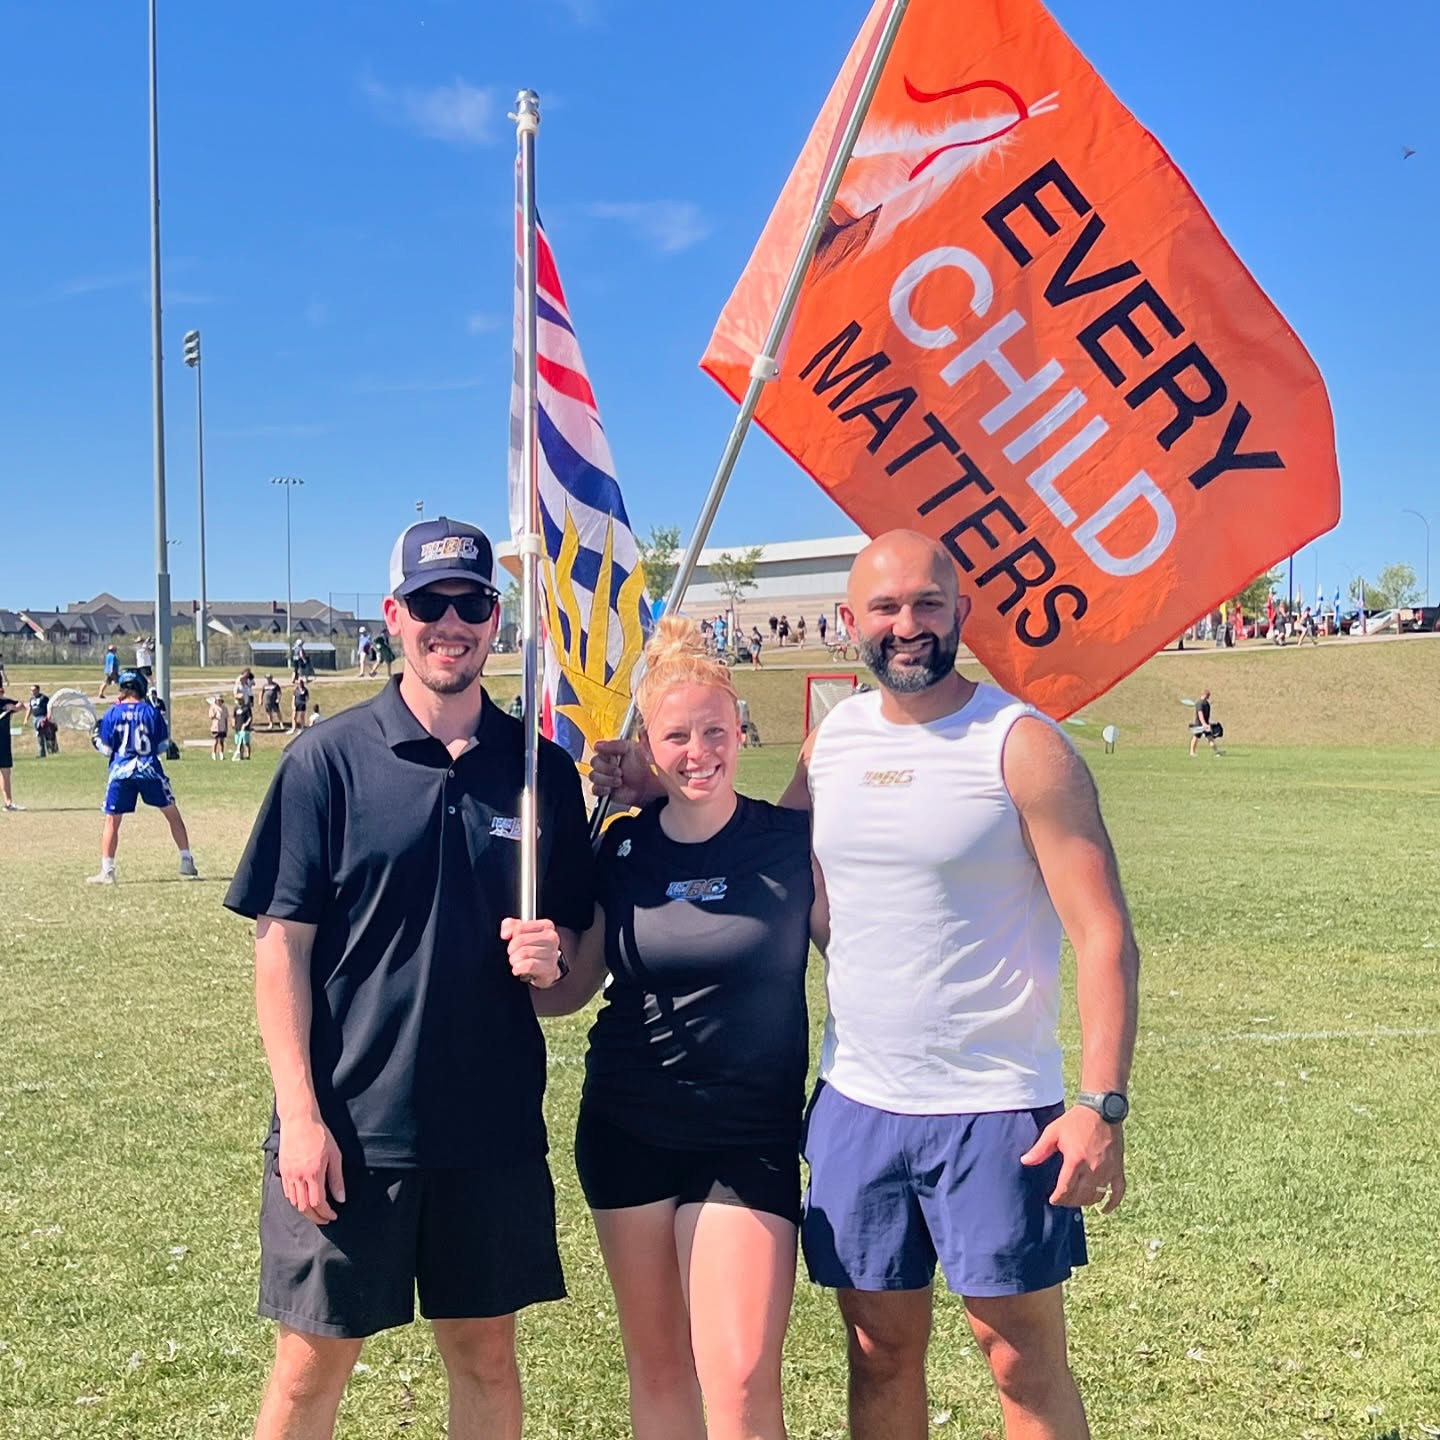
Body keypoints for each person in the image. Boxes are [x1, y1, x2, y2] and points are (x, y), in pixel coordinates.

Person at [594, 530, 1139, 1440]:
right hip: (857, 1106)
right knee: (879, 1352)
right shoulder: (836, 737)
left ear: (961, 611)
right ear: (853, 622)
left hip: (994, 1106)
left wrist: (1099, 1103)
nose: (908, 625)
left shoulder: (1022, 743)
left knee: (1021, 1357)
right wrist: (658, 778)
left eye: (928, 603)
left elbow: (1105, 934)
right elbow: (757, 846)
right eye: (885, 608)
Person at [224, 516, 595, 1440]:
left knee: (485, 1357)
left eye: (471, 603)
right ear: (394, 615)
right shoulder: (329, 760)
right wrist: (301, 1119)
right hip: (350, 1127)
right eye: (430, 603)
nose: (451, 622)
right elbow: (282, 949)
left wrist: (556, 969)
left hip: (488, 1128)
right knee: (311, 1368)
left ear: (497, 619)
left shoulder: (538, 773)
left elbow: (573, 975)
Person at [543, 616, 815, 1440]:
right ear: (648, 749)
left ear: (740, 730)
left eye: (713, 731)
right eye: (676, 737)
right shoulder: (620, 849)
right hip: (627, 1126)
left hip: (747, 1137)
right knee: (658, 1372)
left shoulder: (789, 840)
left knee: (736, 1381)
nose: (698, 751)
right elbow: (571, 993)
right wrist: (542, 962)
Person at [86, 670, 198, 884]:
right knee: (172, 814)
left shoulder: (112, 713)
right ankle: (186, 860)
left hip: (121, 772)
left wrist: (95, 740)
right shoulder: (151, 712)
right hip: (149, 769)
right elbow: (162, 746)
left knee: (112, 820)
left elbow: (107, 749)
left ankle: (107, 871)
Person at [0, 684, 23, 811]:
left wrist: (14, 707)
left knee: (5, 772)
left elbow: (22, 705)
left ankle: (8, 803)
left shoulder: (6, 702)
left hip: (3, 743)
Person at [1189, 690, 1222, 757]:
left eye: (1209, 695)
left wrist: (1207, 724)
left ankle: (1217, 752)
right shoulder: (1200, 703)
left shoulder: (1205, 703)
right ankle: (1192, 752)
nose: (1208, 697)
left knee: (1210, 738)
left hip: (1206, 724)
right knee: (1196, 737)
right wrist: (1204, 724)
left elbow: (1205, 715)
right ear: (1203, 694)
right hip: (1199, 724)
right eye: (1207, 695)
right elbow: (1200, 714)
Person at [29, 685, 53, 758]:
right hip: (35, 718)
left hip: (42, 717)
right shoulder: (31, 699)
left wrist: (47, 717)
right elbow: (30, 708)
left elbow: (49, 707)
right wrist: (26, 718)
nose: (33, 692)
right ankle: (43, 752)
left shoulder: (44, 698)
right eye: (31, 690)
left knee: (43, 734)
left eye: (34, 690)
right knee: (39, 735)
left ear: (38, 690)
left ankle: (48, 751)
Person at [233, 691, 254, 762]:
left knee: (246, 742)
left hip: (245, 728)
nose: (239, 701)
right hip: (238, 727)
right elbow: (234, 716)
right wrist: (233, 723)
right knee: (239, 742)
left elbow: (250, 717)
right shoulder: (236, 708)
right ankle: (241, 755)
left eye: (240, 699)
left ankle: (248, 755)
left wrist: (246, 724)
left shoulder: (246, 708)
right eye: (238, 699)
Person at [208, 694, 230, 761]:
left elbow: (226, 718)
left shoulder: (224, 708)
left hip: (222, 727)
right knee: (215, 741)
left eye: (220, 700)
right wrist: (215, 714)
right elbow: (211, 716)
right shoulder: (213, 707)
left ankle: (221, 755)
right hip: (215, 727)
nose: (219, 702)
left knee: (221, 741)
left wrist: (226, 727)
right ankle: (214, 754)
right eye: (218, 700)